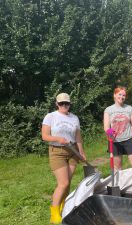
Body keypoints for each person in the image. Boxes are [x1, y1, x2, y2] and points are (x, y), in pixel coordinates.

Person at [42, 93, 86, 224]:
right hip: (57, 152)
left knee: (68, 184)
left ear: (70, 104)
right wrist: (58, 139)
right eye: (61, 103)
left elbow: (78, 137)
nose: (64, 106)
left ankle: (62, 206)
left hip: (72, 152)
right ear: (56, 104)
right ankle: (54, 212)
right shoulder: (51, 116)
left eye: (66, 103)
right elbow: (45, 136)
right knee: (63, 183)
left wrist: (81, 152)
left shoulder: (74, 118)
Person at [103, 86, 132, 170]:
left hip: (129, 139)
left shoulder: (129, 109)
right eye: (119, 94)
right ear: (114, 95)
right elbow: (106, 127)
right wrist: (109, 131)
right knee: (117, 167)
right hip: (115, 142)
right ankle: (120, 183)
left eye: (124, 95)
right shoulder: (108, 110)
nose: (122, 97)